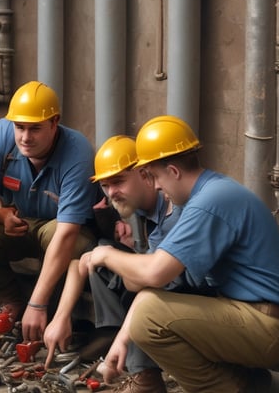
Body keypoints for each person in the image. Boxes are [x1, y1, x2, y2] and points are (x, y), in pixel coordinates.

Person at [94, 115, 279, 393]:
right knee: (150, 304)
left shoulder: (208, 202)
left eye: (154, 176)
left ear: (173, 171)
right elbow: (147, 285)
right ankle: (247, 380)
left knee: (150, 316)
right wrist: (122, 340)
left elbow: (154, 273)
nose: (155, 186)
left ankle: (229, 388)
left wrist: (104, 255)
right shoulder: (211, 192)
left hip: (266, 326)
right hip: (253, 316)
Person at [0, 80, 98, 342]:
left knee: (68, 239)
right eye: (19, 127)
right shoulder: (2, 133)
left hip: (60, 229)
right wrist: (1, 214)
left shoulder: (78, 152)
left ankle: (49, 313)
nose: (25, 137)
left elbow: (66, 233)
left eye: (35, 129)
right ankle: (11, 301)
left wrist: (38, 304)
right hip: (16, 223)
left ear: (55, 123)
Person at [43, 135, 182, 393]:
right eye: (105, 185)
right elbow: (81, 263)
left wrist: (116, 259)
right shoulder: (141, 211)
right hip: (167, 293)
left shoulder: (174, 213)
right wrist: (60, 319)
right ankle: (117, 342)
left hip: (203, 306)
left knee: (138, 282)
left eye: (118, 182)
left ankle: (143, 376)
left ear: (145, 174)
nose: (111, 193)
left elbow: (152, 283)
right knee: (101, 254)